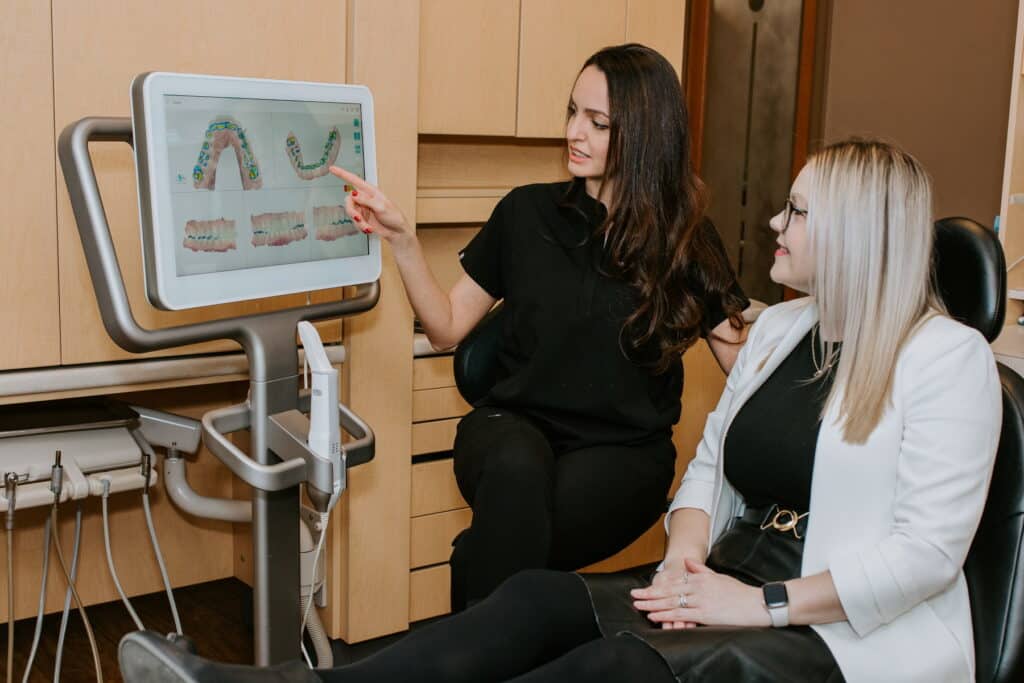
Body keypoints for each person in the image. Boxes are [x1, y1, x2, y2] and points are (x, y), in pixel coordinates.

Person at [119, 138, 1002, 682]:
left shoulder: (948, 361)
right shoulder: (780, 332)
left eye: (798, 211)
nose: (775, 221)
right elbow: (709, 466)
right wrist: (686, 556)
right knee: (537, 599)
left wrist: (758, 603)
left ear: (854, 234)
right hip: (722, 580)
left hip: (838, 632)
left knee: (616, 663)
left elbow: (926, 558)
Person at [335, 43, 748, 610]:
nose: (573, 132)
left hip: (624, 453)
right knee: (515, 479)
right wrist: (402, 240)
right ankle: (493, 634)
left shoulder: (687, 240)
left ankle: (472, 626)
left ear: (647, 133)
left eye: (598, 122)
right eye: (573, 112)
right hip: (510, 424)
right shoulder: (526, 213)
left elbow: (746, 368)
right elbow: (446, 329)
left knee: (500, 544)